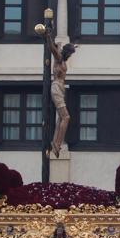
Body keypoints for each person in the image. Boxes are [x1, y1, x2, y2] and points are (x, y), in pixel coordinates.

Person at [45, 26, 77, 158]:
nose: (70, 56)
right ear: (66, 53)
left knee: (61, 118)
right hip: (57, 88)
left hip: (60, 89)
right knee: (66, 117)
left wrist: (73, 46)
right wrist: (48, 36)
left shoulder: (61, 59)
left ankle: (56, 143)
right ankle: (57, 143)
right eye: (70, 53)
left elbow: (56, 47)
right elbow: (52, 49)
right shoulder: (59, 58)